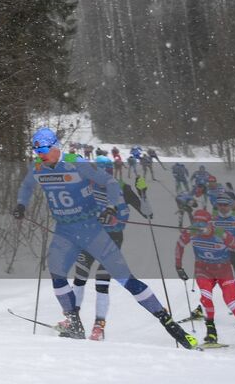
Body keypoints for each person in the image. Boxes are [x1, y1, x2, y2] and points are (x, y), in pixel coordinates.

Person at [14, 126, 195, 347]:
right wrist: (21, 205)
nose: (40, 154)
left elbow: (109, 182)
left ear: (55, 146)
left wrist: (113, 207)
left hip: (90, 228)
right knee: (57, 274)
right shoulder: (38, 167)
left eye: (43, 149)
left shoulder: (75, 162)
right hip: (65, 231)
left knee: (125, 278)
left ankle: (168, 323)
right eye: (36, 150)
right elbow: (25, 187)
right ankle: (74, 323)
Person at [69, 155, 151, 341]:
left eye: (106, 171)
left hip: (112, 238)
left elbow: (148, 213)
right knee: (80, 277)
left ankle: (99, 326)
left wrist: (143, 193)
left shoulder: (122, 188)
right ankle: (73, 320)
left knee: (101, 281)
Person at [176, 208, 235, 353]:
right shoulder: (191, 232)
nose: (199, 227)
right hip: (203, 271)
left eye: (202, 224)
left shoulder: (221, 234)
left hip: (224, 271)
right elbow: (179, 246)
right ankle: (211, 332)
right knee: (206, 298)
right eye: (197, 223)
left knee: (231, 302)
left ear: (209, 223)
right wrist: (179, 267)